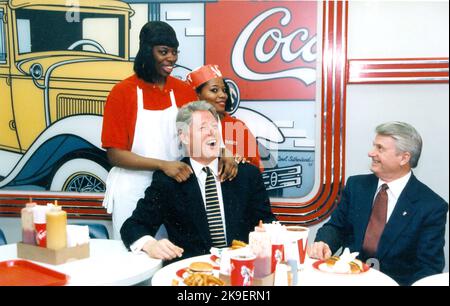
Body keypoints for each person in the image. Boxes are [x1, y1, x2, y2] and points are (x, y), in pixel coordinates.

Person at [101, 22, 237, 239]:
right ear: (146, 51)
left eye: (174, 52)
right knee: (137, 249)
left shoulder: (183, 90)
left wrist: (223, 152)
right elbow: (114, 154)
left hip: (176, 184)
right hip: (133, 188)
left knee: (173, 252)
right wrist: (163, 165)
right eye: (163, 51)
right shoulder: (122, 93)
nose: (171, 58)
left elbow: (205, 127)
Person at [120, 101, 276, 261]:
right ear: (184, 136)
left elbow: (267, 221)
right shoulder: (168, 181)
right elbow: (132, 226)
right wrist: (151, 245)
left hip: (240, 269)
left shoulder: (247, 174)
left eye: (215, 127)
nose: (211, 132)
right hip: (191, 274)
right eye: (203, 128)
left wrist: (268, 233)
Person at [309, 121, 448, 286]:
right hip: (347, 278)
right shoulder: (356, 186)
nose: (370, 153)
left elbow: (429, 268)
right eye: (373, 146)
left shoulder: (431, 206)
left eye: (380, 148)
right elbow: (336, 227)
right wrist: (325, 243)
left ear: (404, 158)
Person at [186, 64, 263, 170]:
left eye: (224, 90)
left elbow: (257, 167)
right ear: (197, 95)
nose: (223, 95)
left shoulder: (237, 126)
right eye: (214, 90)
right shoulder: (187, 126)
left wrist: (241, 163)